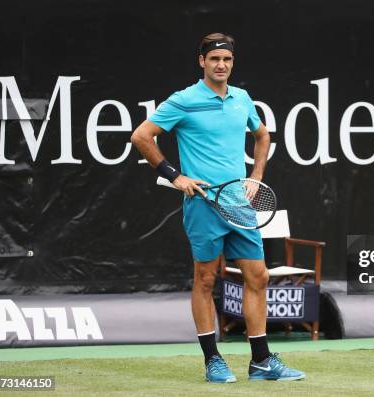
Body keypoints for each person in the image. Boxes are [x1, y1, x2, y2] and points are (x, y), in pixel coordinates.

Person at [130, 32, 305, 383]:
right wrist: (175, 176)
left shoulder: (241, 99)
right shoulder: (183, 100)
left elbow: (262, 135)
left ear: (232, 62)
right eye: (214, 59)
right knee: (205, 278)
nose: (220, 65)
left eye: (226, 59)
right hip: (203, 204)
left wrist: (255, 176)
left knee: (259, 276)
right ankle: (213, 360)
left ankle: (262, 362)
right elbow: (141, 136)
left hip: (239, 205)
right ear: (202, 62)